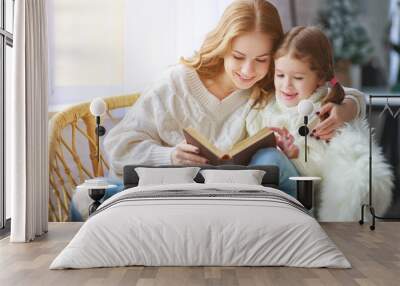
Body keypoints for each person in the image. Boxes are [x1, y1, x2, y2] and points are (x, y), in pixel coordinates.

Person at [70, 0, 364, 221]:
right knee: (85, 197)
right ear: (222, 46)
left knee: (269, 157)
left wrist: (346, 108)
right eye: (238, 57)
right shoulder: (177, 83)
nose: (249, 71)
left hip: (229, 200)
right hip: (165, 192)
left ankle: (297, 230)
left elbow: (336, 90)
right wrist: (169, 155)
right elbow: (118, 147)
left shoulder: (268, 87)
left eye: (262, 60)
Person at [246, 26, 392, 220]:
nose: (286, 85)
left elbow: (320, 173)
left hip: (301, 194)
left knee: (269, 159)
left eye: (298, 78)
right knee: (263, 162)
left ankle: (291, 221)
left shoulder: (323, 111)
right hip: (266, 191)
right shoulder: (265, 106)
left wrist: (292, 154)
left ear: (320, 78)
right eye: (280, 75)